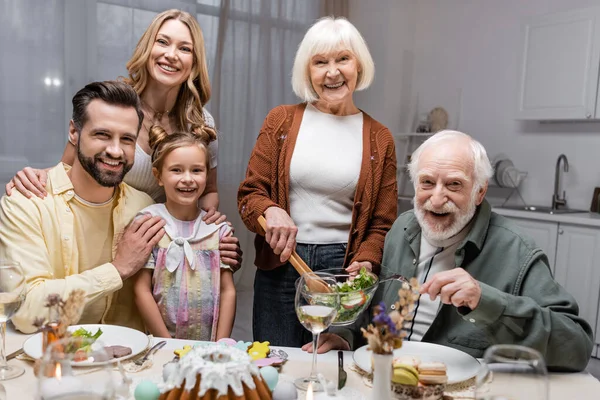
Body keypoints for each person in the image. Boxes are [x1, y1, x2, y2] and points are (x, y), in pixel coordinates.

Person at [307, 130, 593, 372]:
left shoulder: (517, 250)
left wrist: (486, 301)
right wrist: (345, 336)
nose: (437, 198)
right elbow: (375, 313)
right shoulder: (401, 228)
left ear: (480, 192)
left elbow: (577, 346)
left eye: (454, 184)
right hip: (382, 378)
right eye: (427, 182)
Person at [4, 9, 242, 268]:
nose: (171, 55)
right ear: (147, 47)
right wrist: (38, 178)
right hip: (99, 237)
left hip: (157, 247)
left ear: (194, 62)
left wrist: (210, 232)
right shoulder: (115, 106)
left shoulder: (201, 123)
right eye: (162, 42)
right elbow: (70, 169)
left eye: (184, 48)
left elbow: (209, 191)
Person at [237, 16, 398, 347]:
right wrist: (271, 211)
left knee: (328, 365)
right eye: (320, 62)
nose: (332, 71)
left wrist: (366, 259)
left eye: (343, 59)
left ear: (359, 65)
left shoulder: (380, 138)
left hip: (341, 269)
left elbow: (383, 225)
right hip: (282, 260)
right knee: (275, 360)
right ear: (307, 71)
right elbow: (249, 195)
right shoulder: (281, 120)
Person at [0, 81, 165, 334]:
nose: (115, 150)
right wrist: (117, 270)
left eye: (127, 139)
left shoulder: (145, 208)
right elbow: (25, 311)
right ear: (74, 133)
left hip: (130, 364)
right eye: (102, 135)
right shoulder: (26, 204)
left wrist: (217, 244)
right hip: (51, 360)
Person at [133, 126, 235, 340]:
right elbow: (141, 290)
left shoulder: (218, 229)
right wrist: (165, 342)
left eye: (196, 170)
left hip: (207, 346)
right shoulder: (150, 224)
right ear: (158, 175)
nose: (187, 179)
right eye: (176, 170)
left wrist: (221, 343)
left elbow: (227, 291)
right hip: (161, 343)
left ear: (207, 175)